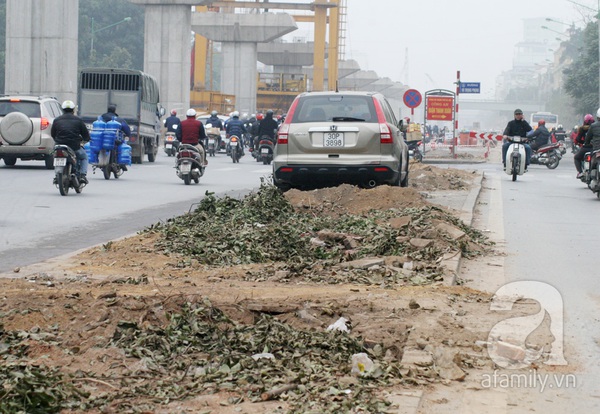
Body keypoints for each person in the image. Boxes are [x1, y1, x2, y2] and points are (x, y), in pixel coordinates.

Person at [51, 100, 91, 184]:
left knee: (56, 156)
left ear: (62, 109)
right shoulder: (78, 120)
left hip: (59, 145)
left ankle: (56, 176)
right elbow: (85, 134)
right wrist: (86, 139)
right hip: (74, 146)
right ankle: (83, 175)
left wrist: (58, 140)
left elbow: (53, 134)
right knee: (84, 157)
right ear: (73, 110)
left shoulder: (57, 120)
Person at [574, 114, 595, 178]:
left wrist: (582, 143)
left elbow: (578, 139)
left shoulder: (582, 129)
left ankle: (580, 172)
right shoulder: (596, 127)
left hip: (586, 147)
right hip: (595, 148)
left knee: (576, 158)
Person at [583, 109, 600, 186]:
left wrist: (586, 143)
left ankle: (590, 177)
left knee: (591, 164)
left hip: (596, 149)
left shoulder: (593, 126)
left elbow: (588, 138)